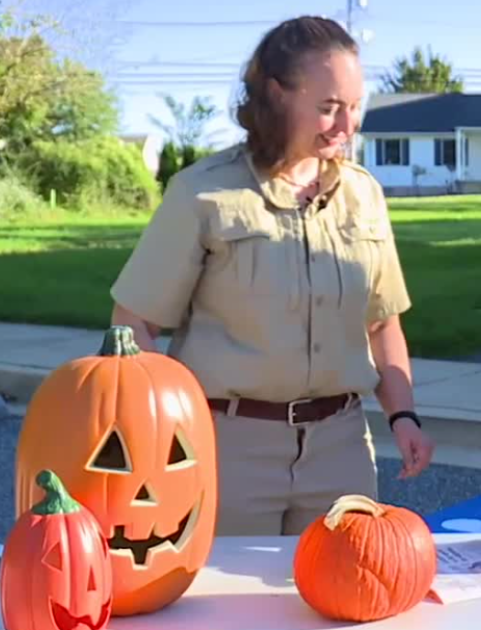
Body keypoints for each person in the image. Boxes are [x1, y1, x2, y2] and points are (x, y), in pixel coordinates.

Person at [108, 16, 434, 536]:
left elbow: (382, 323)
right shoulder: (202, 194)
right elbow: (133, 326)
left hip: (342, 450)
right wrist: (170, 431)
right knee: (226, 609)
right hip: (228, 448)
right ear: (276, 95)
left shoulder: (365, 194)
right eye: (328, 108)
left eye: (354, 106)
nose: (346, 125)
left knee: (346, 603)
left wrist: (404, 416)